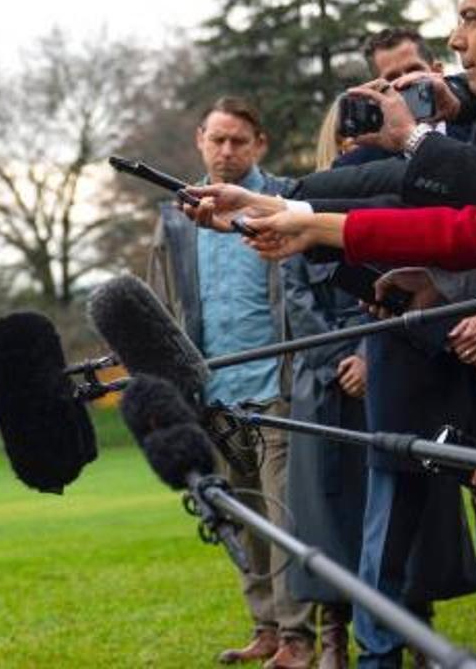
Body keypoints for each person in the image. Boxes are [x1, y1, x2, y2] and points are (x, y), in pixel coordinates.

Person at [147, 96, 315, 668]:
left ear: (259, 144)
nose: (226, 150)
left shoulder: (283, 202)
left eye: (238, 140)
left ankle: (297, 639)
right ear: (199, 140)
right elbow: (163, 309)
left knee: (286, 516)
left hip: (278, 387)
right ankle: (265, 629)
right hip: (212, 394)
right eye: (217, 139)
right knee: (243, 521)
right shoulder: (175, 217)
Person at [280, 103, 370, 669]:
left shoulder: (385, 205)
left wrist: (369, 352)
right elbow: (295, 296)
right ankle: (334, 636)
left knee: (388, 509)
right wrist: (341, 357)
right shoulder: (298, 204)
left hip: (383, 372)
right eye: (344, 134)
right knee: (325, 514)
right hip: (321, 383)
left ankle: (409, 627)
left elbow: (394, 285)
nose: (351, 142)